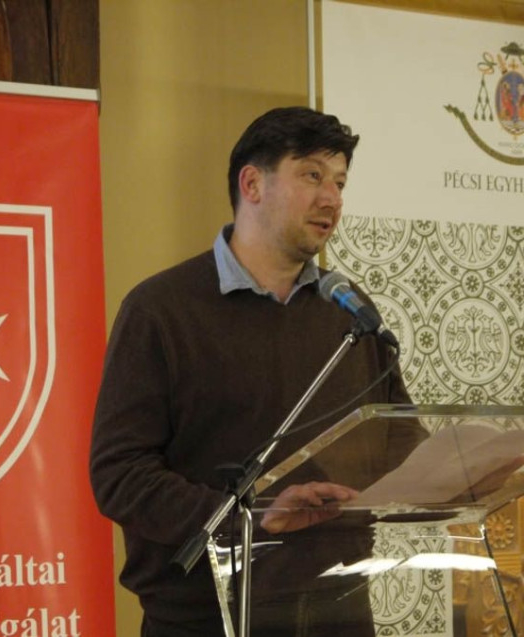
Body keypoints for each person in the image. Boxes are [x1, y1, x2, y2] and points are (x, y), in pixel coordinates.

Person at [90, 106, 426, 636]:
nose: (332, 198)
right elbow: (120, 474)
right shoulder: (161, 310)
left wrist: (463, 469)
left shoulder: (348, 309)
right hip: (206, 616)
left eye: (340, 182)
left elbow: (397, 437)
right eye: (312, 175)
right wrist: (247, 519)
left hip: (339, 609)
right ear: (252, 184)